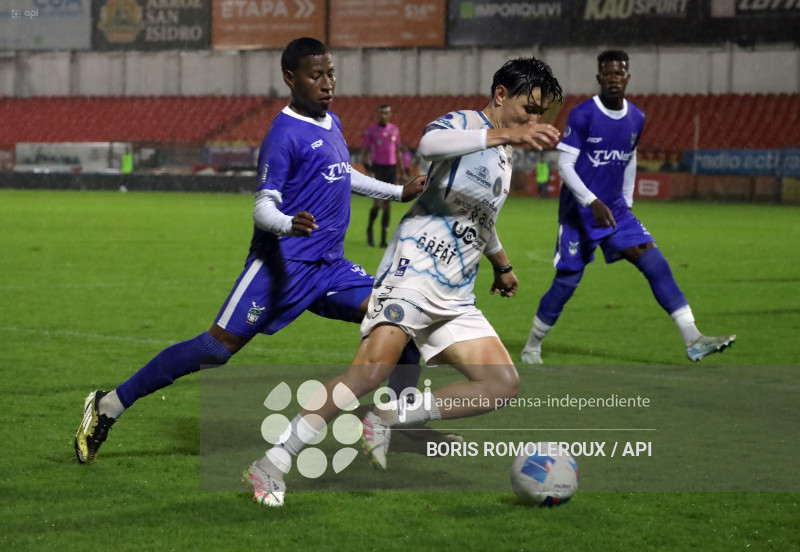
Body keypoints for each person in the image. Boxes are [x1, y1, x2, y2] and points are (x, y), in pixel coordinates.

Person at [74, 37, 429, 465]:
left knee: (400, 319)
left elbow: (342, 174)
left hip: (329, 268)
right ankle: (108, 405)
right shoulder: (282, 135)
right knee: (215, 349)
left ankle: (393, 421)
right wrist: (289, 224)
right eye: (316, 75)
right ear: (290, 78)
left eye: (331, 73)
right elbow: (263, 207)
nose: (327, 82)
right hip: (280, 266)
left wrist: (397, 191)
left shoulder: (330, 122)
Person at [243, 56, 564, 507]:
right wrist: (508, 132)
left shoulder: (505, 154)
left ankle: (390, 415)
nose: (533, 121)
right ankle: (271, 464)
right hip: (413, 271)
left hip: (456, 290)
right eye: (529, 109)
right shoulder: (466, 124)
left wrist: (502, 263)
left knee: (501, 385)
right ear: (501, 94)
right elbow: (430, 144)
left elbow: (479, 213)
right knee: (368, 373)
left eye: (540, 114)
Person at [520, 50, 735, 365]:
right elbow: (564, 167)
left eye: (619, 73)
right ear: (599, 78)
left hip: (616, 210)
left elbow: (629, 156)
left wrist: (627, 202)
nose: (613, 78)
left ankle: (693, 339)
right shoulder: (583, 115)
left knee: (654, 261)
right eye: (607, 73)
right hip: (578, 213)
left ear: (628, 77)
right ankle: (531, 347)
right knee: (567, 282)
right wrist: (591, 201)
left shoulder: (637, 117)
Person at [361, 104, 407, 247]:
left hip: (391, 169)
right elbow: (364, 153)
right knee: (378, 203)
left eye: (386, 113)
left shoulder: (394, 129)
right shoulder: (371, 131)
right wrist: (369, 170)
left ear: (390, 114)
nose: (383, 115)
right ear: (377, 114)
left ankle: (383, 239)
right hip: (378, 168)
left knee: (388, 205)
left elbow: (398, 152)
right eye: (381, 113)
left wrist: (402, 171)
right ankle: (370, 229)